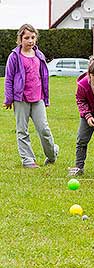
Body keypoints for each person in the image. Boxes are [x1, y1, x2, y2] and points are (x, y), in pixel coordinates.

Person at [3, 24, 59, 168]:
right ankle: (28, 160)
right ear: (20, 39)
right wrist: (8, 99)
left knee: (44, 129)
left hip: (38, 98)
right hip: (20, 99)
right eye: (26, 38)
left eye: (33, 37)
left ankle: (52, 154)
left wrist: (46, 98)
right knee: (22, 130)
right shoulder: (14, 56)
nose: (30, 41)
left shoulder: (39, 56)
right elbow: (8, 78)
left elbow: (44, 78)